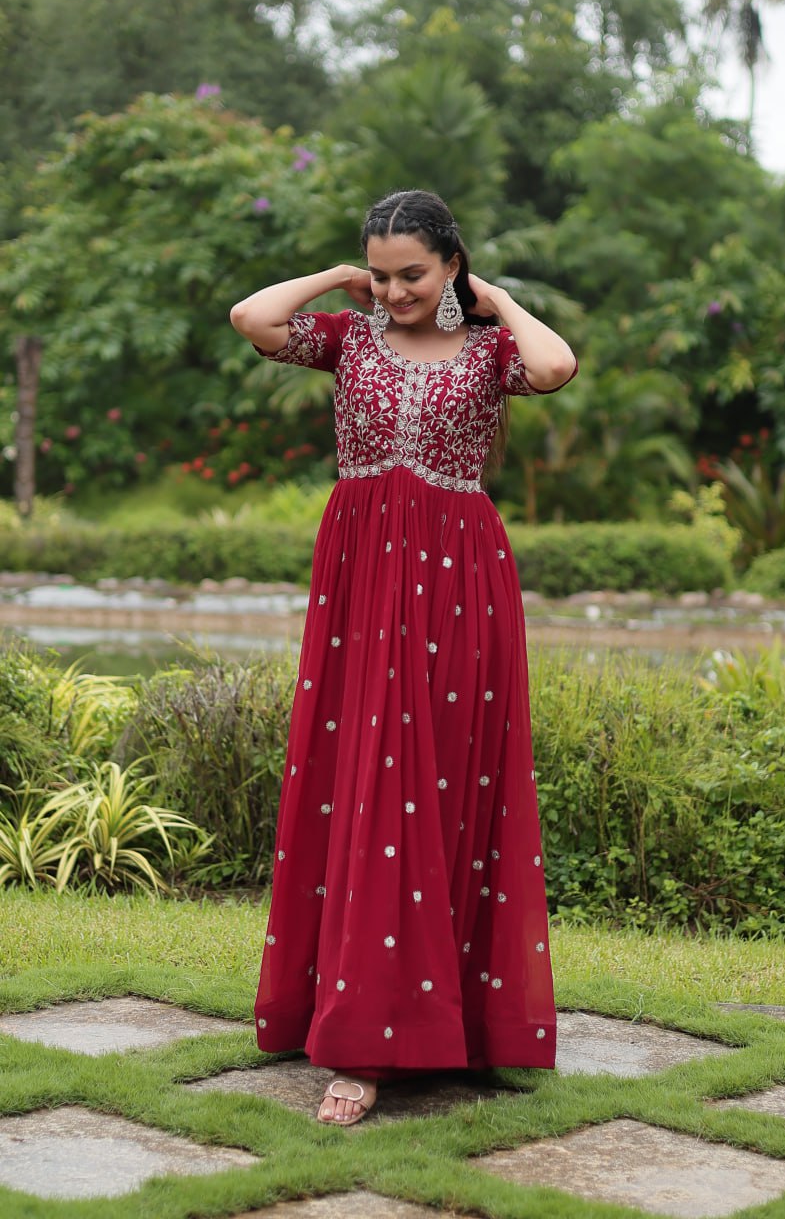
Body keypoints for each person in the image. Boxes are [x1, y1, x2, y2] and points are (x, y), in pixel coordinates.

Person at [230, 189, 577, 1127]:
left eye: (412, 274)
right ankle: (360, 1041)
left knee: (451, 785)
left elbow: (556, 365)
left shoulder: (491, 351)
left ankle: (452, 1027)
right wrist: (340, 277)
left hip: (461, 583)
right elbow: (252, 318)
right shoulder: (348, 339)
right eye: (381, 275)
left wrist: (494, 301)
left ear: (451, 264)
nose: (394, 292)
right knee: (369, 785)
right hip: (361, 581)